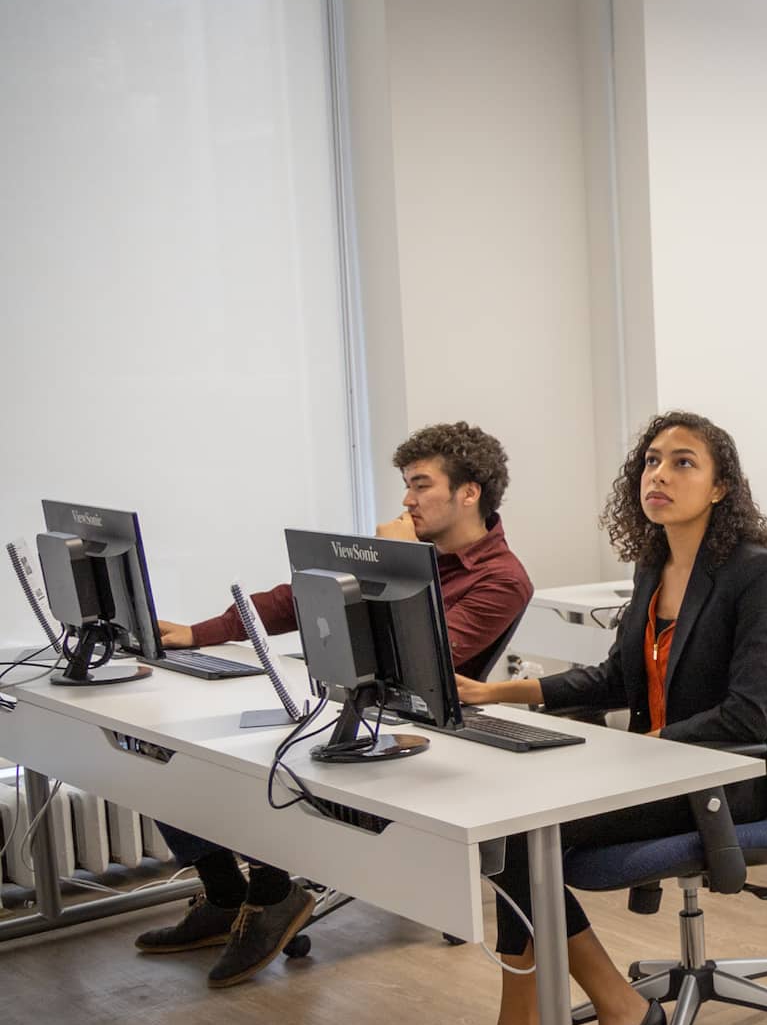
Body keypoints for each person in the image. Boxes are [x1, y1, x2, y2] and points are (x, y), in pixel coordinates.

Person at [422, 411, 767, 1025]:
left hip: (721, 781)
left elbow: (748, 717)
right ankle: (616, 1010)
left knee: (525, 841)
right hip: (654, 766)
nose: (660, 475)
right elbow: (616, 678)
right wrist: (500, 692)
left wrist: (636, 753)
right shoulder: (654, 566)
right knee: (518, 839)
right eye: (652, 461)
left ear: (722, 488)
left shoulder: (755, 574)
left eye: (684, 463)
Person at [131, 422, 533, 988]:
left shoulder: (502, 578)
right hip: (349, 707)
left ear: (470, 493)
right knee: (167, 746)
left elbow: (418, 656)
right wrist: (198, 633)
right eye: (407, 486)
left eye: (421, 485)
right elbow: (298, 598)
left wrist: (393, 557)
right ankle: (225, 896)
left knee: (264, 761)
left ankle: (273, 894)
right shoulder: (413, 556)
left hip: (415, 731)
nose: (407, 499)